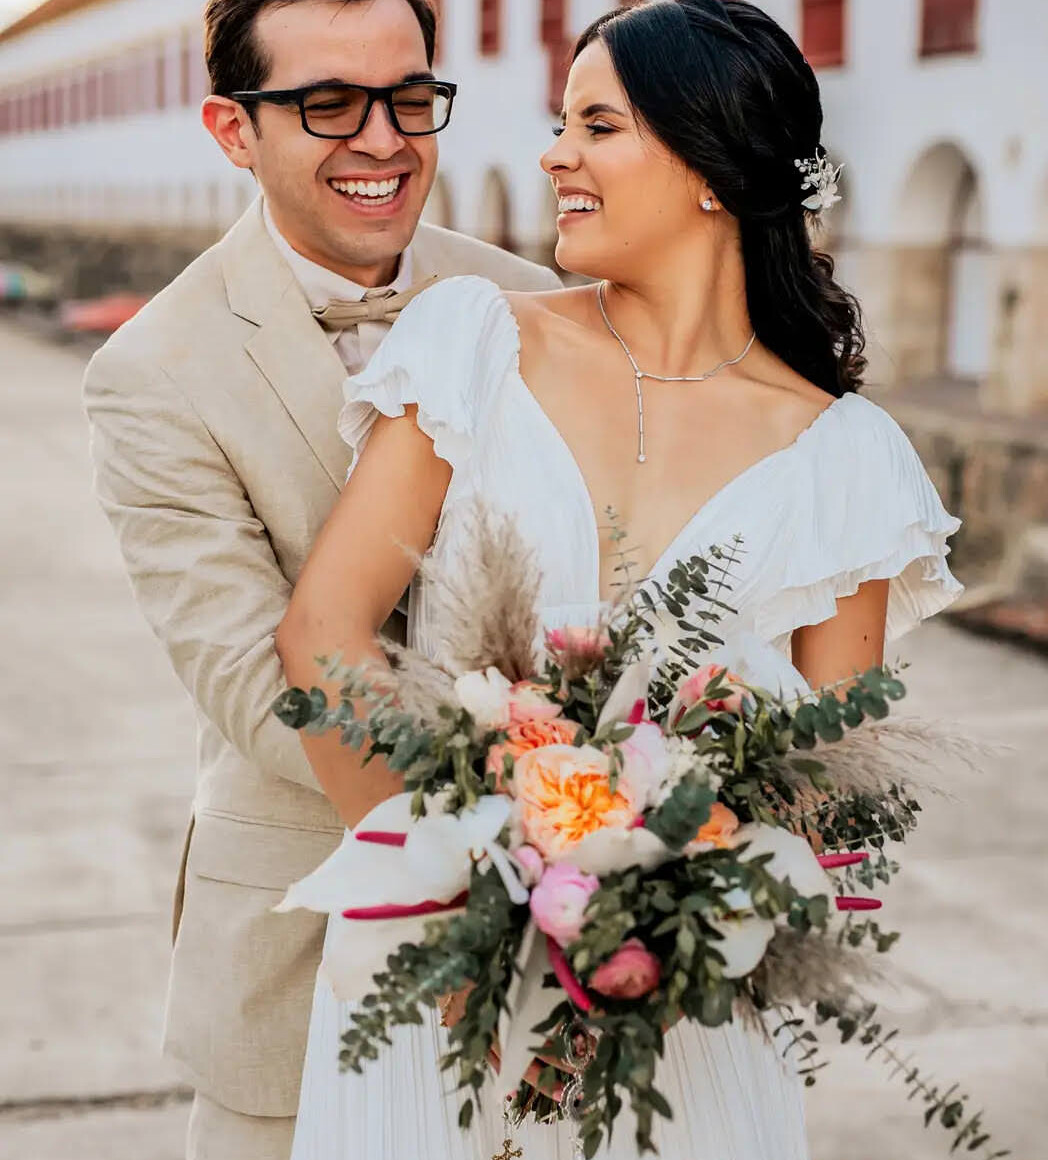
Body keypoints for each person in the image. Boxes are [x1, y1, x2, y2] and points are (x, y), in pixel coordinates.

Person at [275, 0, 964, 1156]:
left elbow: (829, 786)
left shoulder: (851, 463)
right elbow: (322, 632)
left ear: (707, 165)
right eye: (560, 123)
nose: (555, 154)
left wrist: (639, 943)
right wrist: (463, 921)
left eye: (596, 124)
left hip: (672, 1021)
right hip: (431, 988)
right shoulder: (476, 338)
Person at [81, 1, 561, 1157]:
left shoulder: (533, 302)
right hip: (300, 943)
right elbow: (254, 679)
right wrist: (480, 848)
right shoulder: (148, 372)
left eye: (408, 97)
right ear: (231, 129)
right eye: (328, 104)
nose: (384, 140)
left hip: (570, 933)